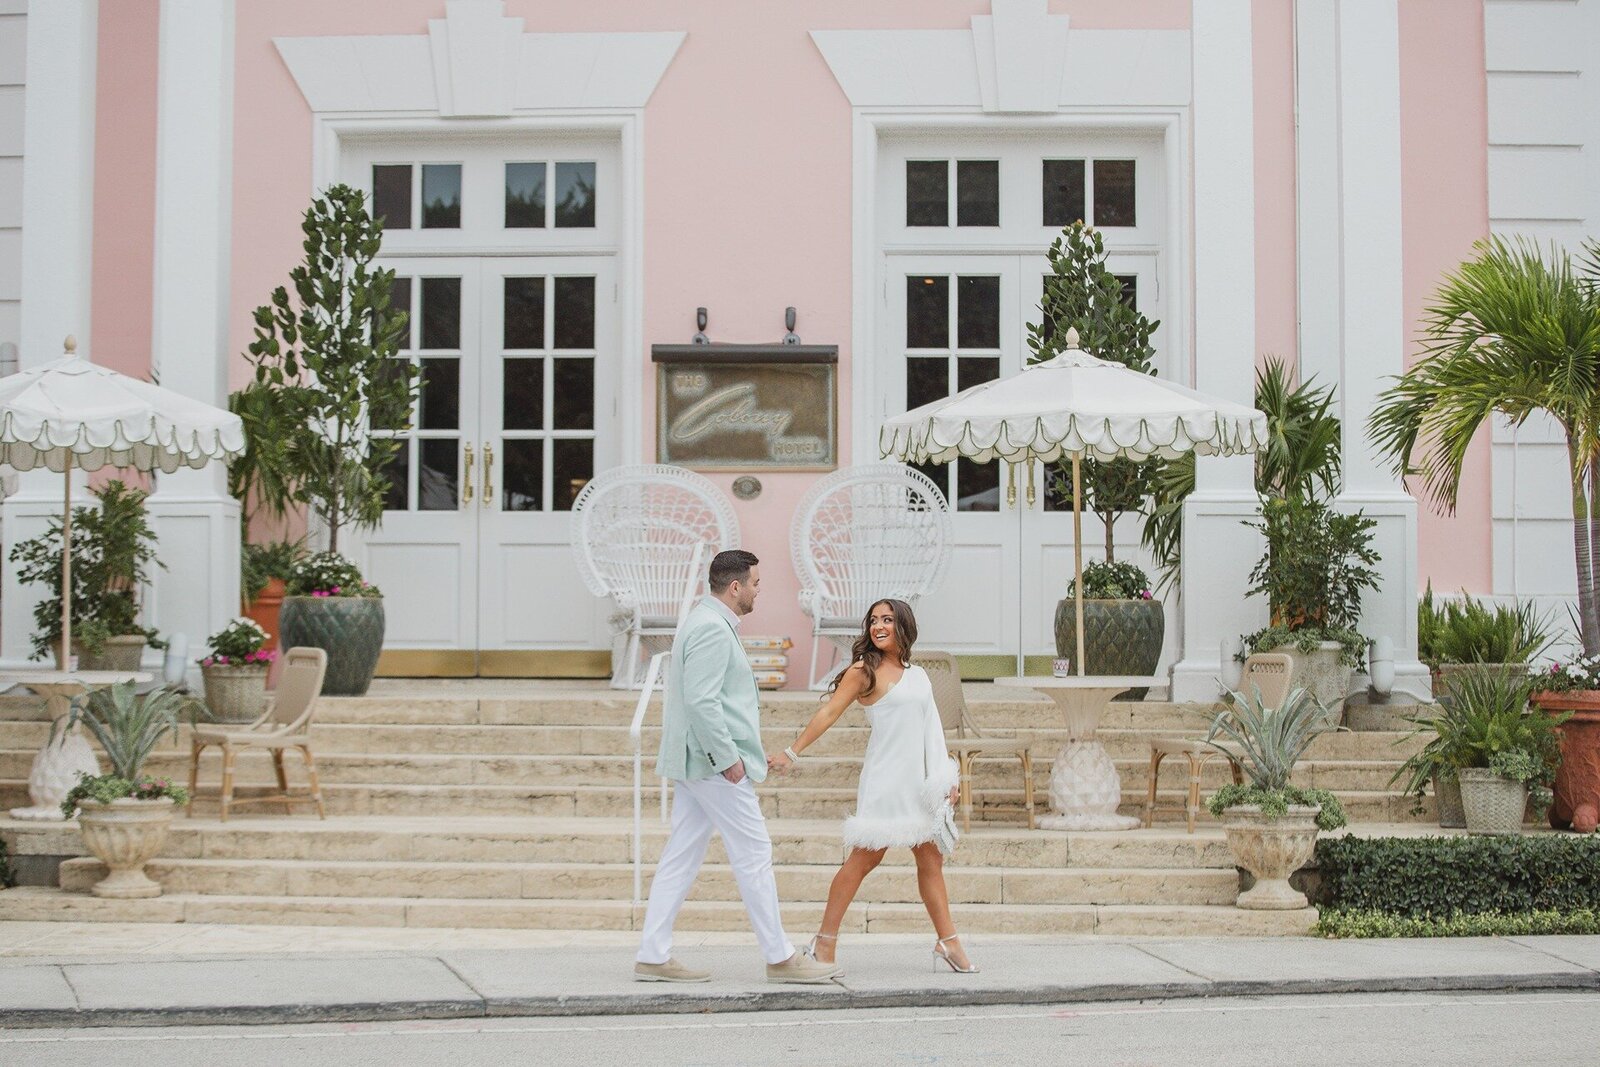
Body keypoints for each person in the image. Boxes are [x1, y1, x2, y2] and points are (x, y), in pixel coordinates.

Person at [634, 549, 841, 985]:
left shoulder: (703, 620)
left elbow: (710, 700)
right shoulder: (711, 628)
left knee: (681, 856)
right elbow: (703, 701)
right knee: (754, 853)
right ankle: (781, 957)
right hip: (712, 763)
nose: (758, 591)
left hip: (695, 761)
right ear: (735, 587)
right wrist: (728, 759)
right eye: (756, 584)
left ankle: (653, 954)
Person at [768, 598, 977, 974]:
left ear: (904, 626)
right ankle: (824, 943)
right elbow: (829, 712)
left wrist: (946, 779)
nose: (878, 626)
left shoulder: (919, 675)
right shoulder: (863, 671)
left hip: (919, 784)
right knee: (865, 859)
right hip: (885, 783)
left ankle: (949, 943)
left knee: (931, 859)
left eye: (887, 620)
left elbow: (933, 730)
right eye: (874, 621)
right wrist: (791, 752)